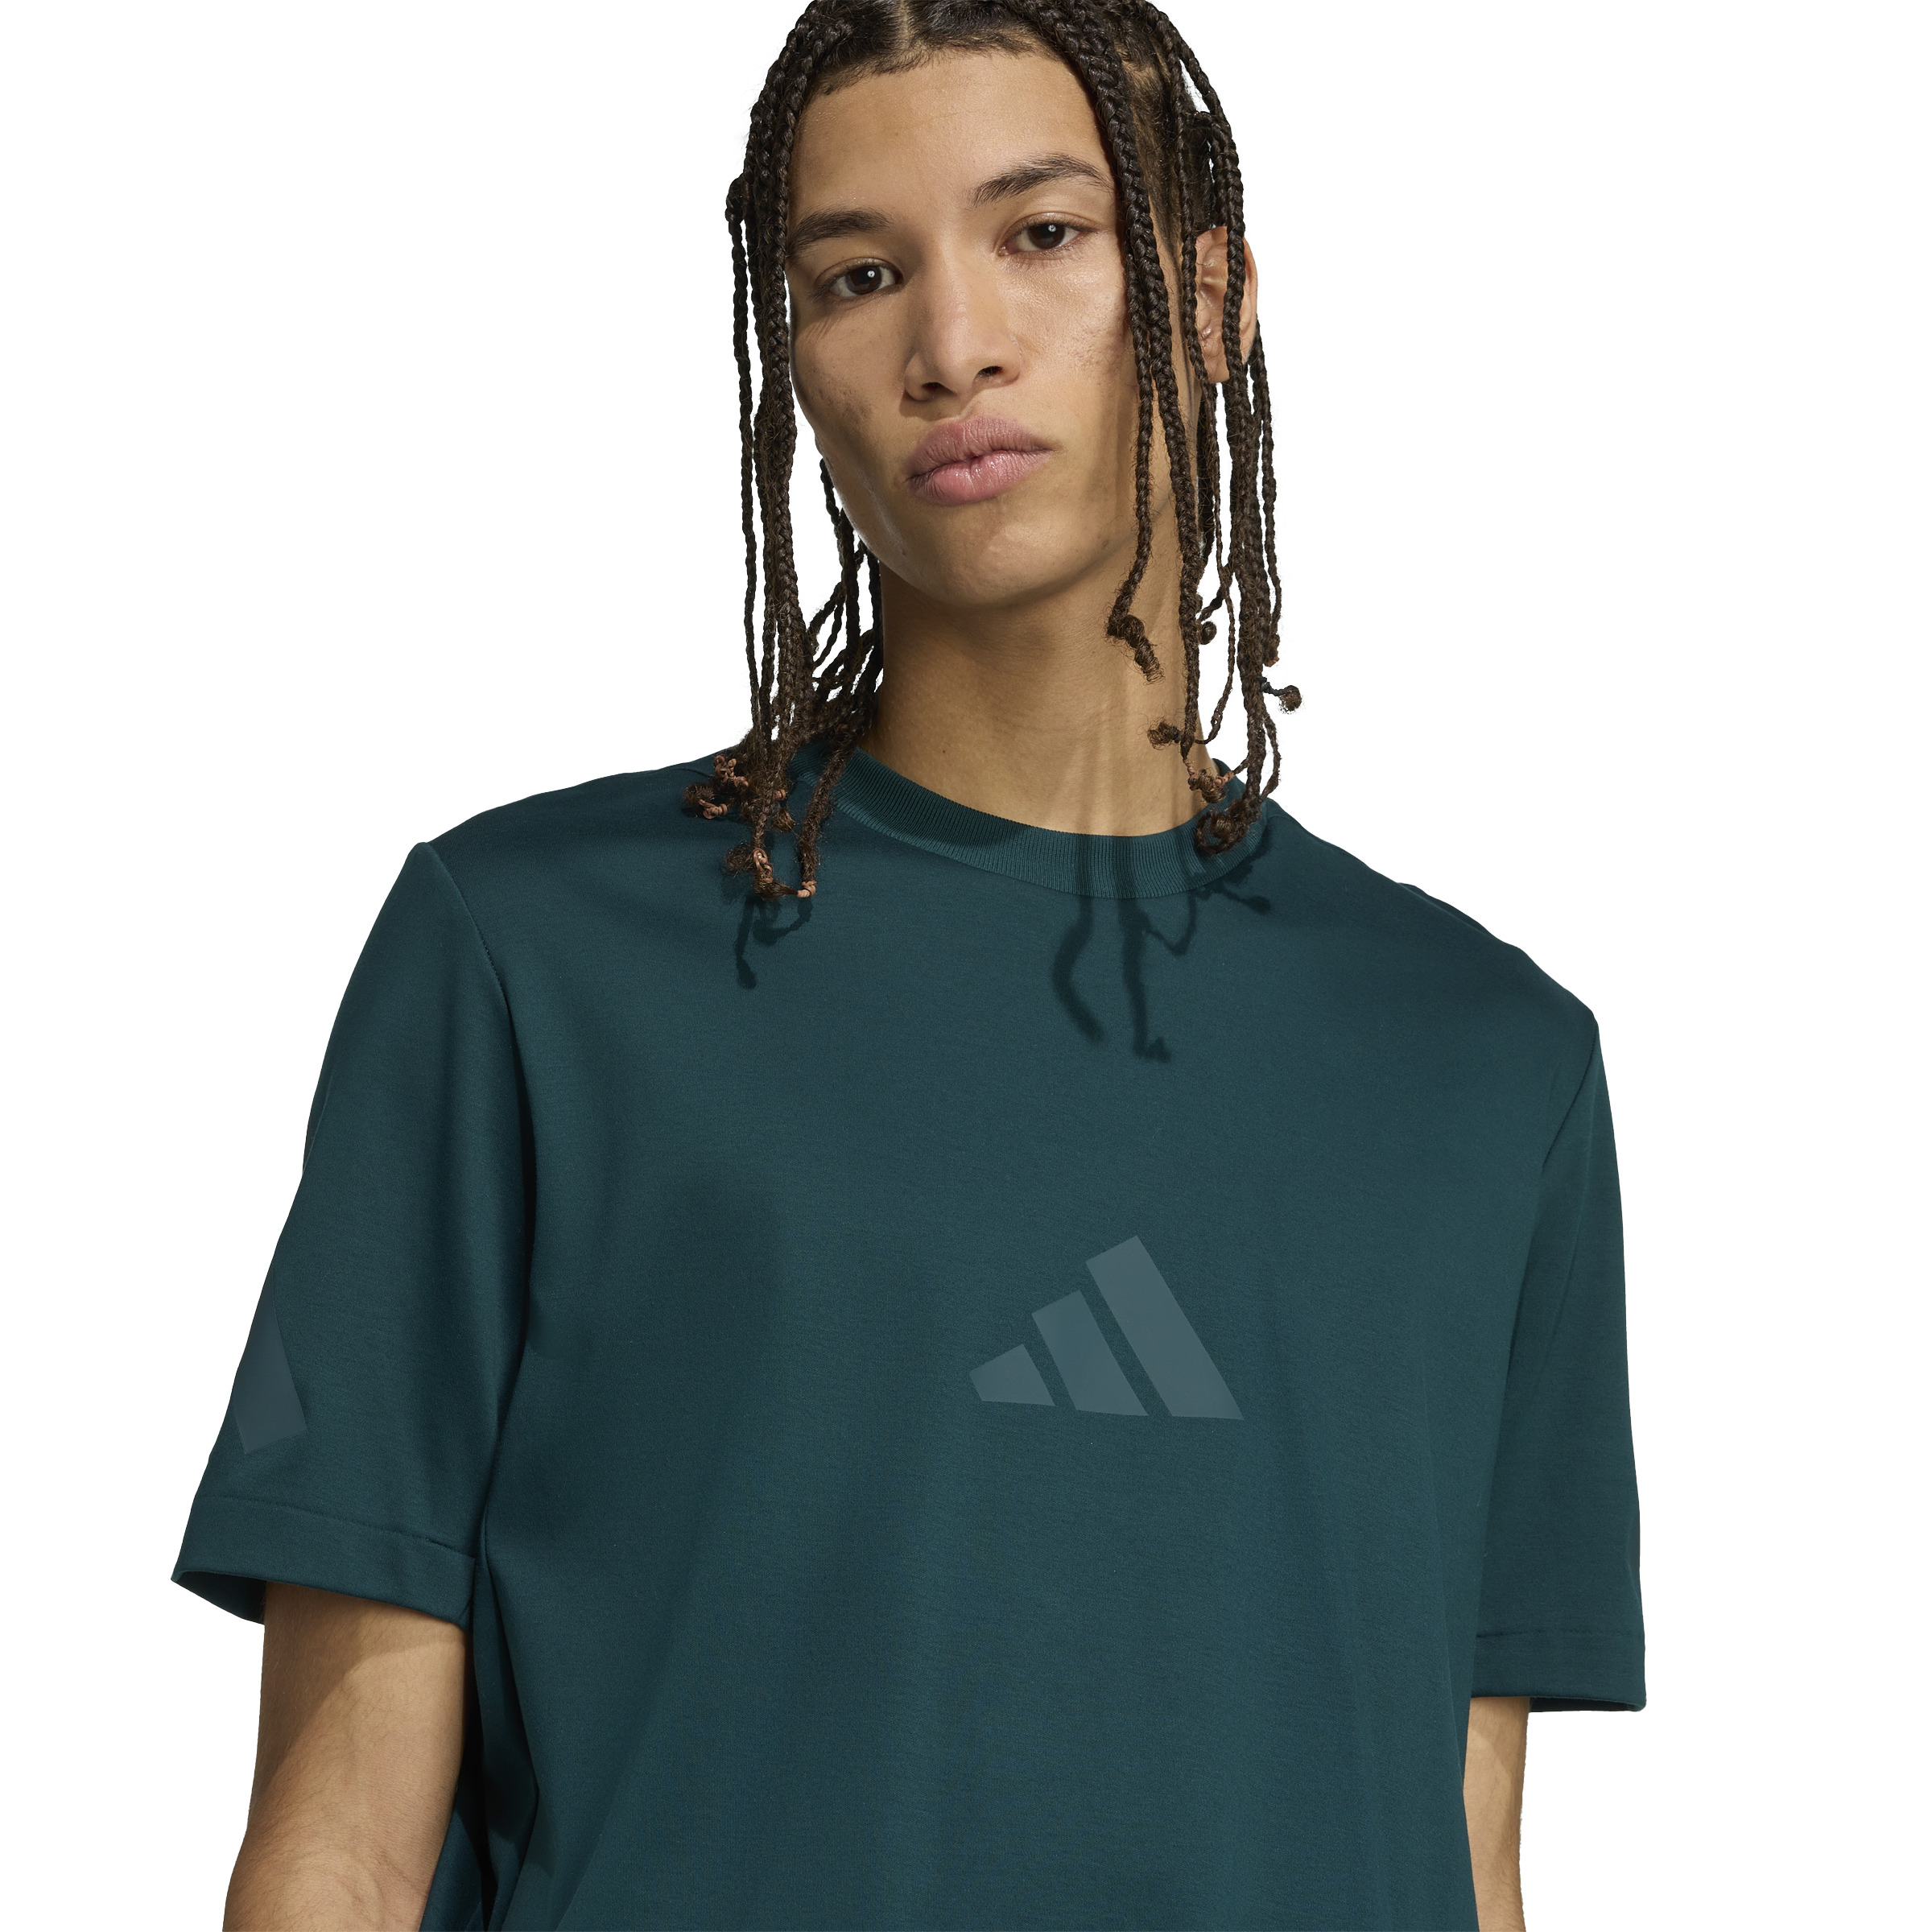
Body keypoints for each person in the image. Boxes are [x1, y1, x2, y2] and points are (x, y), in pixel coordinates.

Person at [175, 3, 1645, 1927]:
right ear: (795, 356)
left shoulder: (1485, 1063)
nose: (954, 344)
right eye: (859, 276)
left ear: (1209, 303)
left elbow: (1467, 1844)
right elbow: (341, 1842)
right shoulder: (529, 960)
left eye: (1043, 234)